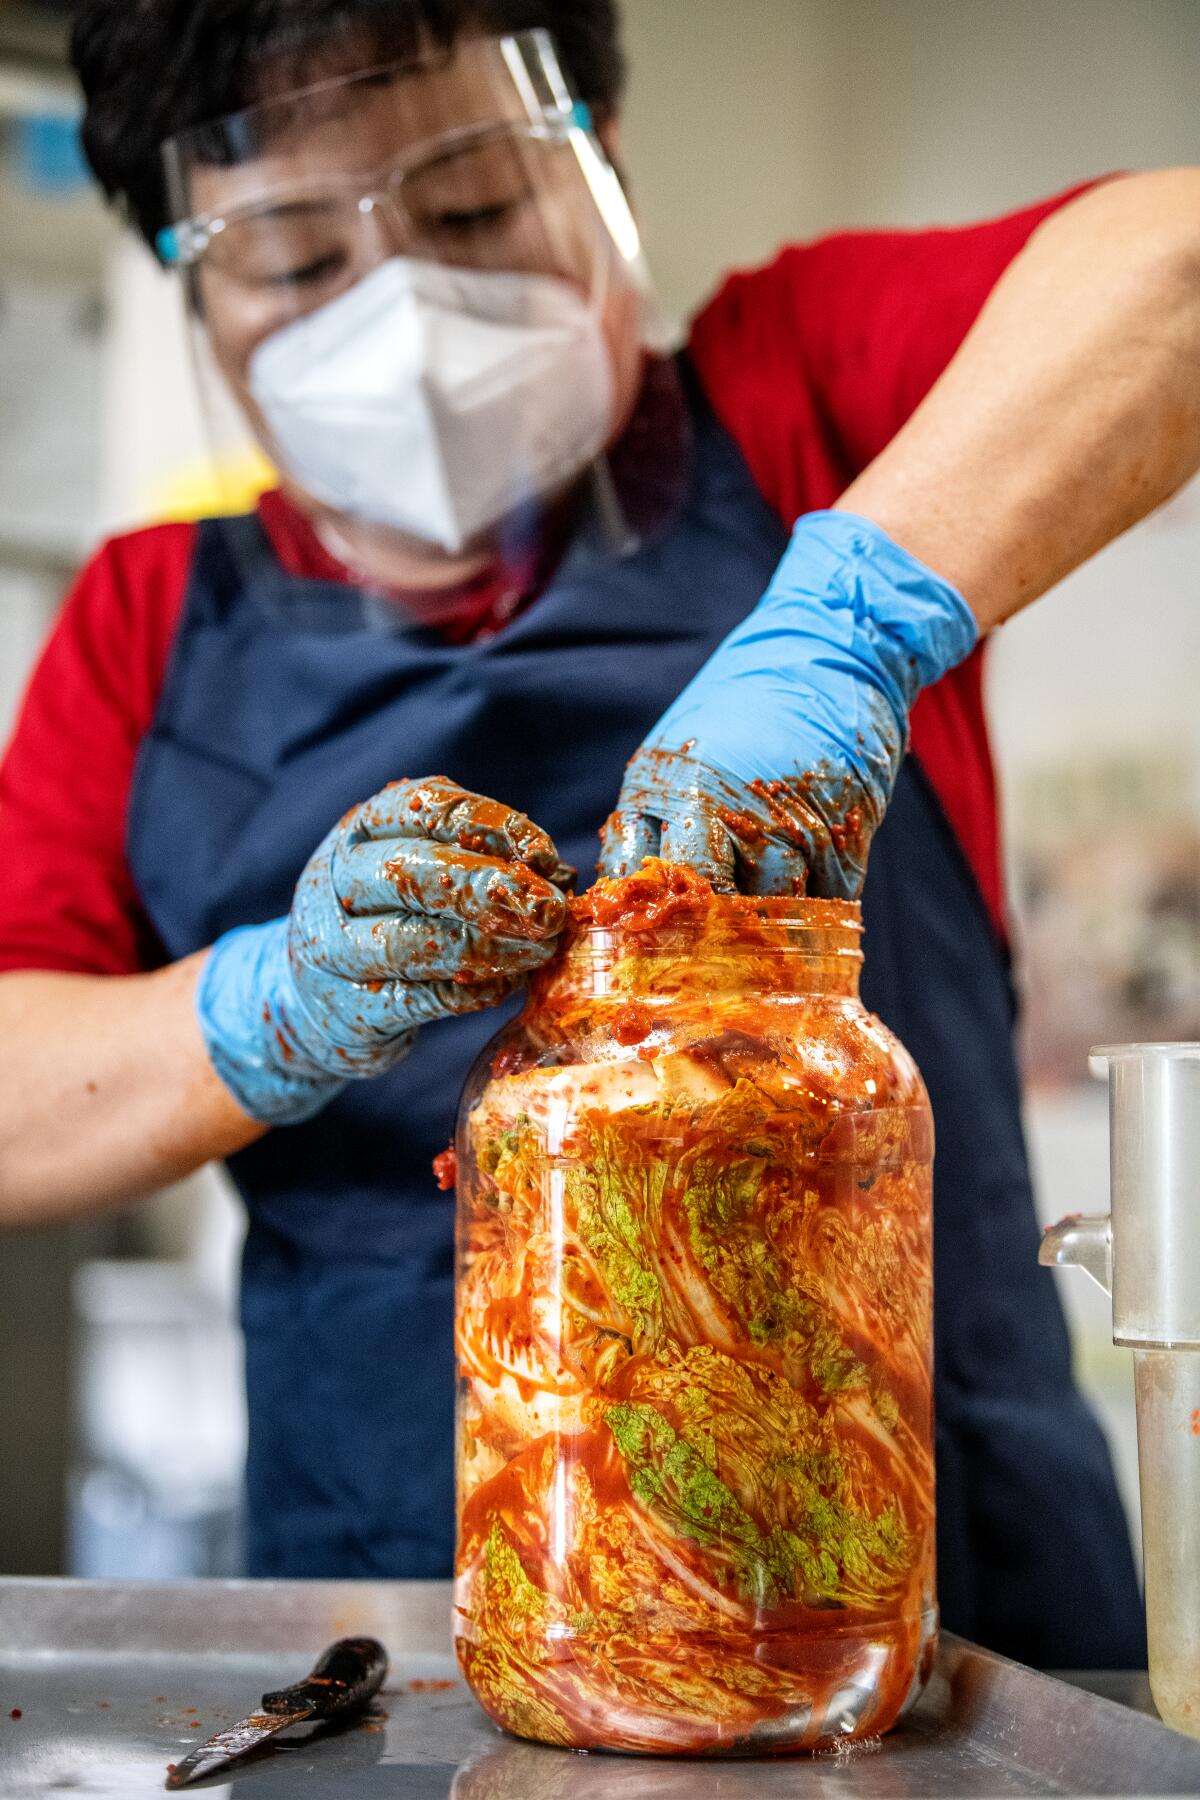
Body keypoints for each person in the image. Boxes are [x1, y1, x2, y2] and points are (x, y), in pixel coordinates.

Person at [2, 0, 1197, 1669]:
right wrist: (265, 1009)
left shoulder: (798, 390)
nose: (400, 312)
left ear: (603, 162)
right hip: (407, 1624)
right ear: (193, 288)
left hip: (940, 1626)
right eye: (289, 262)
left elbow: (1178, 259)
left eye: (476, 213)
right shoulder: (147, 625)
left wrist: (851, 622)